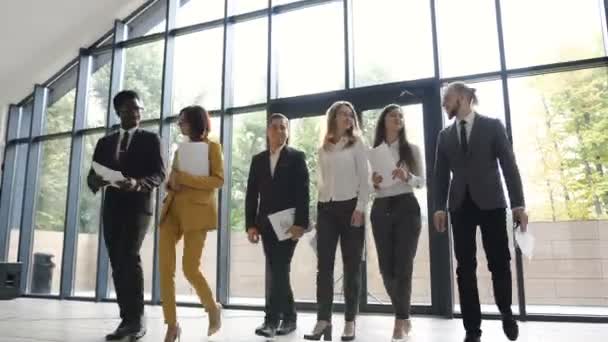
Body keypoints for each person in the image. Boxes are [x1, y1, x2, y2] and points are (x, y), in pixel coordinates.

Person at [433, 82, 528, 342]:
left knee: (499, 262)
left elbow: (509, 166)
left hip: (492, 203)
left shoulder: (492, 126)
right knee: (465, 268)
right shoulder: (445, 136)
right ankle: (472, 330)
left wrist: (518, 204)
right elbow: (440, 176)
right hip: (460, 206)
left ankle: (506, 311)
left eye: (447, 98)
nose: (444, 103)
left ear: (463, 97)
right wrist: (439, 207)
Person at [87, 90, 165, 340]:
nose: (136, 113)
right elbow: (92, 176)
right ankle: (126, 320)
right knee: (118, 263)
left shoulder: (151, 139)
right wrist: (96, 181)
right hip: (112, 208)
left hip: (138, 208)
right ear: (118, 111)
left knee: (129, 258)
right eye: (130, 109)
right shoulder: (105, 143)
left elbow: (159, 174)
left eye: (139, 109)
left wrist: (137, 183)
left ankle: (137, 320)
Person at [304, 101, 369, 342]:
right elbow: (320, 183)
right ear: (333, 118)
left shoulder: (357, 144)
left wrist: (360, 208)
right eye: (344, 114)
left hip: (352, 208)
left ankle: (350, 321)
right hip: (327, 210)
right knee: (324, 269)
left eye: (351, 114)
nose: (348, 118)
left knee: (352, 268)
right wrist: (318, 212)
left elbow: (365, 179)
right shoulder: (323, 148)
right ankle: (323, 320)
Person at [159, 106, 224, 341]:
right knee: (165, 269)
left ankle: (212, 307)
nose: (179, 125)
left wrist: (183, 178)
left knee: (189, 268)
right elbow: (173, 177)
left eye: (183, 121)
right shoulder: (181, 149)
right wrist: (170, 183)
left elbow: (218, 180)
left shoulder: (213, 147)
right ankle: (172, 324)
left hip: (197, 213)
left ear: (196, 122)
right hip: (172, 211)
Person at [245, 113, 310, 338]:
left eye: (284, 127)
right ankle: (289, 317)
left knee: (279, 269)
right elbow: (251, 195)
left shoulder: (297, 157)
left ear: (288, 132)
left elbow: (304, 193)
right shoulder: (258, 160)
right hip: (265, 225)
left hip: (288, 225)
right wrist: (250, 225)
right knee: (278, 270)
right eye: (275, 127)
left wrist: (301, 224)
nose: (280, 131)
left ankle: (272, 320)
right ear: (268, 131)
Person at [369, 104, 424, 341]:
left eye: (401, 116)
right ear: (384, 121)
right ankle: (404, 316)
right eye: (393, 115)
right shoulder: (372, 152)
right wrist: (374, 181)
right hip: (381, 208)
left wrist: (407, 176)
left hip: (406, 207)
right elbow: (367, 186)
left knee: (404, 267)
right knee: (386, 269)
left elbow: (422, 182)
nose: (398, 118)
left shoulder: (411, 149)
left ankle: (400, 320)